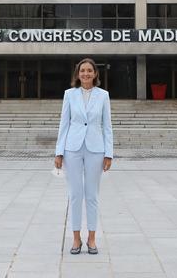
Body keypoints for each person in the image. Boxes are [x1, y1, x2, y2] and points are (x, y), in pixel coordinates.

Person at [54, 58, 114, 255]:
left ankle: (92, 238)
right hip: (73, 148)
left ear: (95, 74)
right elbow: (64, 123)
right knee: (75, 194)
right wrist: (59, 152)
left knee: (92, 195)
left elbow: (107, 126)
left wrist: (109, 153)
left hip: (96, 149)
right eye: (82, 71)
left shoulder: (103, 95)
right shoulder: (69, 95)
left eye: (89, 71)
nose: (86, 74)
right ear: (77, 74)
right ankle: (76, 238)